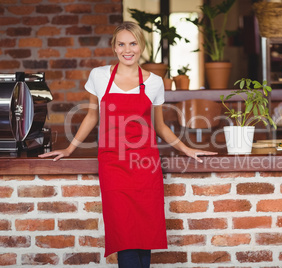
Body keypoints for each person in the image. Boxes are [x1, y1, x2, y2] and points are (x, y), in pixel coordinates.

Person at [39, 21, 217, 267]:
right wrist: (70, 148)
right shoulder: (99, 76)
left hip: (145, 164)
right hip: (113, 164)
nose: (127, 49)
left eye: (133, 43)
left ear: (141, 46)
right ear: (114, 47)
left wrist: (186, 149)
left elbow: (160, 126)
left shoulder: (154, 82)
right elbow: (92, 116)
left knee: (145, 235)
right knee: (124, 235)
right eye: (121, 44)